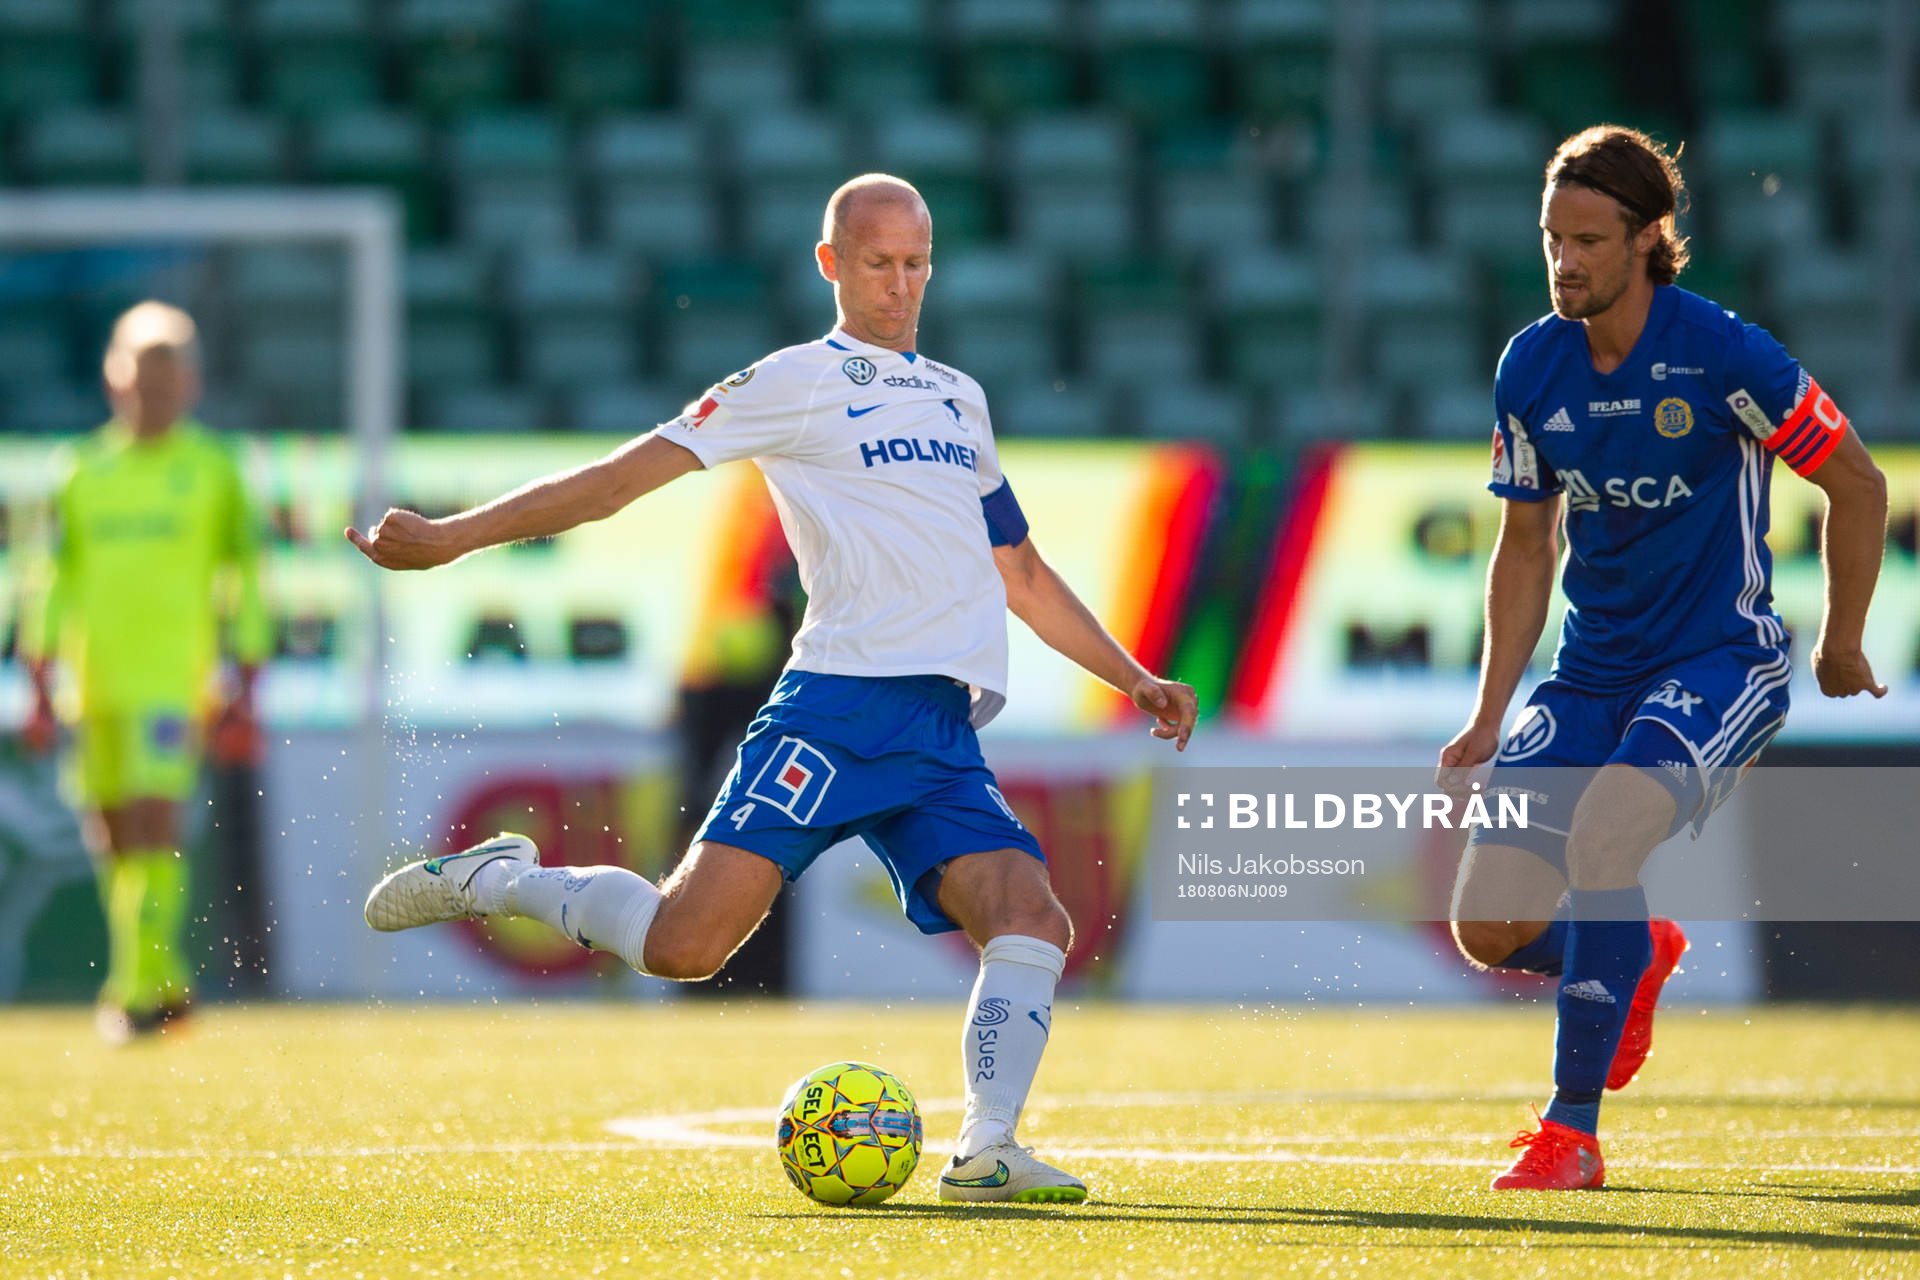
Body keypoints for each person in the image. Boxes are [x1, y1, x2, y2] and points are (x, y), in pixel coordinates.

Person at [349, 175, 1199, 1205]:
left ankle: (987, 1150)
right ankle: (500, 878)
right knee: (683, 945)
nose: (899, 285)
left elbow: (1017, 568)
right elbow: (618, 481)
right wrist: (453, 537)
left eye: (916, 264)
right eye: (877, 263)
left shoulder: (958, 397)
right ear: (831, 263)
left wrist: (1132, 675)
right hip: (835, 709)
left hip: (939, 728)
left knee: (1031, 915)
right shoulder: (793, 380)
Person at [1439, 126, 1889, 1190]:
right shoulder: (1531, 364)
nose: (1564, 262)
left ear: (1650, 238)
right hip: (1590, 672)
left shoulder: (1726, 354)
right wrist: (1490, 708)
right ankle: (1633, 950)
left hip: (1720, 660)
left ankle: (1571, 1132)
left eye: (1588, 241)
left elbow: (1859, 483)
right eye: (1552, 238)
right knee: (1487, 926)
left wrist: (1842, 638)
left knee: (1604, 839)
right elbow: (1525, 544)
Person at [21, 300, 271, 1043]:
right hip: (93, 681)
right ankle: (166, 980)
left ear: (189, 385)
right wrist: (39, 674)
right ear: (115, 382)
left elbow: (245, 576)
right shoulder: (81, 471)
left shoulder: (214, 470)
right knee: (113, 838)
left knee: (156, 823)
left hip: (174, 679)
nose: (153, 398)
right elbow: (52, 577)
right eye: (141, 384)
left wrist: (246, 678)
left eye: (166, 385)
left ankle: (130, 992)